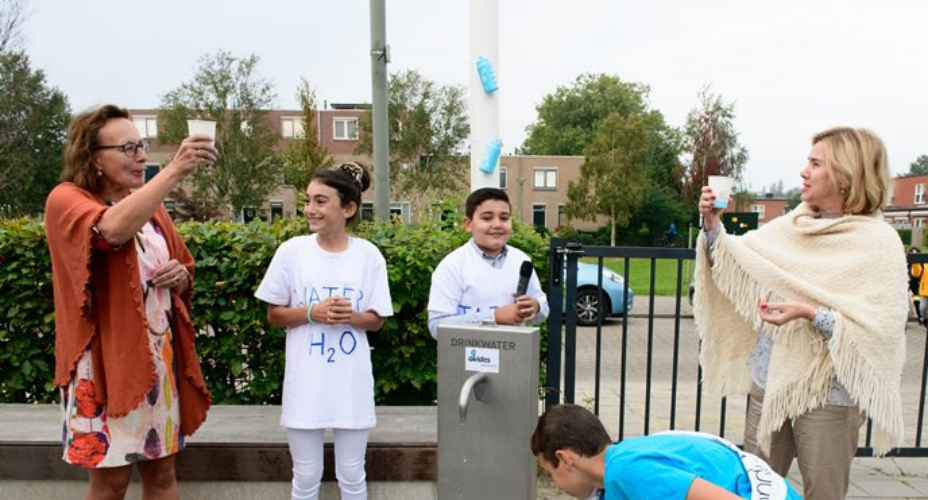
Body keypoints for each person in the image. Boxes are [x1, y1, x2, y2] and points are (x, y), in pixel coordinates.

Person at [694, 127, 907, 500]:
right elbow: (734, 264)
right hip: (770, 381)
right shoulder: (791, 225)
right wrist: (712, 225)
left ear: (845, 176)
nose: (803, 172)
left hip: (829, 392)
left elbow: (882, 329)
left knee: (822, 493)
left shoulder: (878, 243)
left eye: (815, 163)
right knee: (753, 488)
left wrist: (811, 314)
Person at [44, 104, 214, 500]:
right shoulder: (66, 199)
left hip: (157, 361)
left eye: (142, 145)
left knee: (161, 471)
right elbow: (109, 232)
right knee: (110, 481)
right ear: (93, 157)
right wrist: (174, 170)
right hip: (101, 365)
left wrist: (179, 274)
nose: (140, 156)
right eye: (127, 148)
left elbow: (183, 265)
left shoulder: (149, 205)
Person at [255, 162, 393, 500]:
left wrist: (352, 317)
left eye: (320, 201)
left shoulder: (368, 256)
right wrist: (312, 313)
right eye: (308, 201)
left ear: (348, 208)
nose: (310, 210)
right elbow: (274, 315)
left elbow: (377, 320)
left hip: (350, 384)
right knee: (305, 475)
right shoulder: (292, 252)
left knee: (352, 474)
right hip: (306, 384)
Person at [531, 404, 803, 500]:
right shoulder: (618, 468)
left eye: (549, 473)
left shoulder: (628, 471)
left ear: (565, 459)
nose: (556, 486)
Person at [427, 187, 549, 340]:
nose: (497, 225)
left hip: (513, 357)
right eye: (487, 218)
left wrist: (535, 307)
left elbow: (543, 310)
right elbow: (437, 327)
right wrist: (494, 317)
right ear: (468, 224)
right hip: (467, 360)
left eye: (504, 218)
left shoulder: (521, 260)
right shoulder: (452, 266)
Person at [909, 247, 924, 324]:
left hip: (917, 283)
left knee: (917, 300)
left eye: (916, 253)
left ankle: (920, 316)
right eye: (912, 253)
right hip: (910, 283)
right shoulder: (907, 262)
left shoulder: (921, 262)